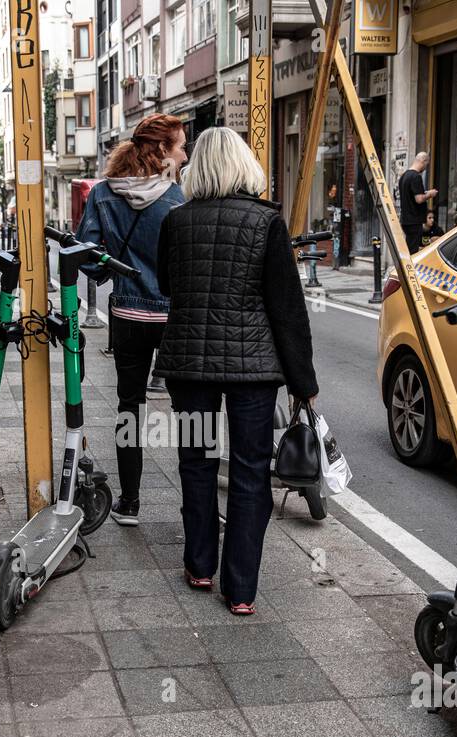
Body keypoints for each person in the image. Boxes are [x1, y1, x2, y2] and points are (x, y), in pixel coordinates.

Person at [153, 127, 319, 616]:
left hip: (190, 369)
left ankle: (200, 565)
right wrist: (303, 383)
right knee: (250, 473)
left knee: (197, 462)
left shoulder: (175, 222)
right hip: (253, 371)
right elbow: (287, 308)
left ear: (197, 168)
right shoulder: (266, 223)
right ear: (245, 165)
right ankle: (241, 589)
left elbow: (167, 285)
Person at [77, 113, 188, 526]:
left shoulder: (104, 194)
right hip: (173, 318)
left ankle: (129, 502)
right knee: (187, 409)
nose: (183, 153)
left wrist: (113, 270)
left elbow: (88, 257)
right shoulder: (177, 200)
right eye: (179, 146)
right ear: (161, 150)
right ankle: (193, 501)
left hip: (127, 313)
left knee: (129, 407)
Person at [398, 152, 438, 254]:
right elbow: (419, 199)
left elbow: (411, 195)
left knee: (409, 247)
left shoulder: (404, 176)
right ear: (423, 161)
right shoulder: (416, 177)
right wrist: (430, 194)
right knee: (413, 251)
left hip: (405, 219)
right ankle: (409, 270)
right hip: (414, 220)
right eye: (426, 164)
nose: (425, 167)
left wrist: (425, 193)